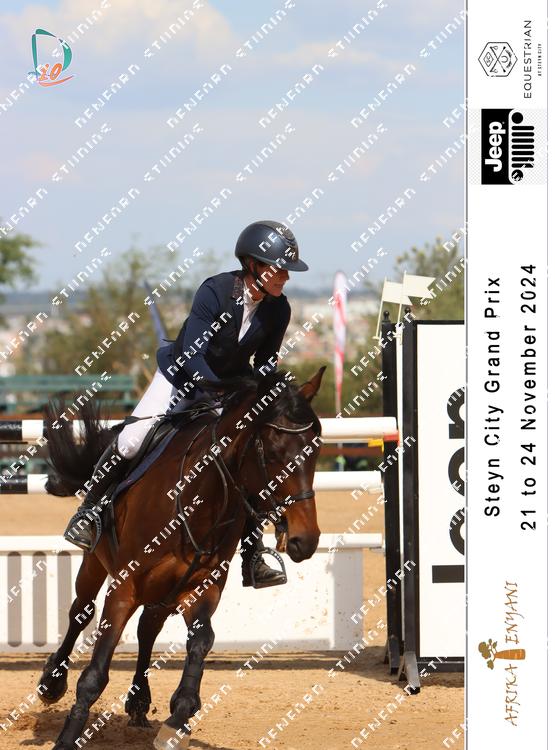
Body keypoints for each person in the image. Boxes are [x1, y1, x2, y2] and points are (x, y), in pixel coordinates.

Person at [63, 220, 309, 588]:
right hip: (180, 375)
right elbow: (193, 353)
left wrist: (265, 393)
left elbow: (265, 362)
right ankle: (89, 513)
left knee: (245, 459)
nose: (286, 277)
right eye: (280, 269)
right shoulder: (214, 291)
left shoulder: (279, 309)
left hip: (228, 388)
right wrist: (214, 391)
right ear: (254, 265)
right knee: (131, 440)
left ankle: (253, 553)